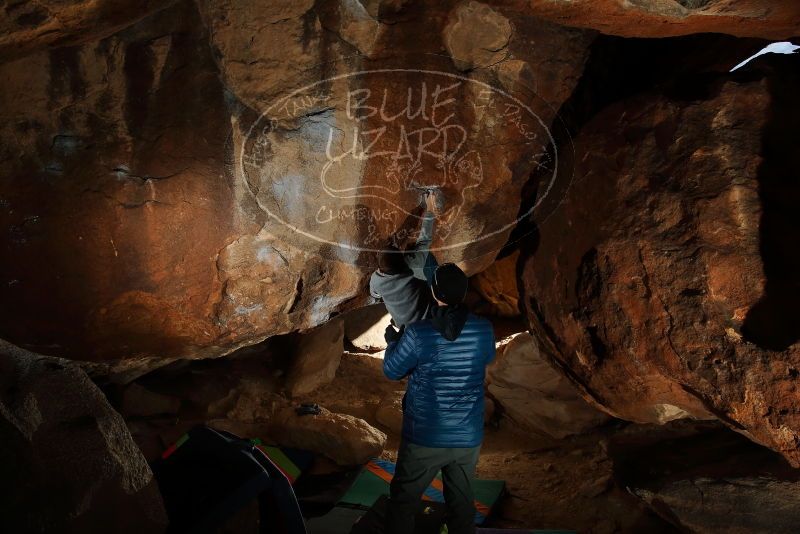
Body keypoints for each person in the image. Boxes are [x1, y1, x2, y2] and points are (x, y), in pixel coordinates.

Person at [382, 263, 496, 534]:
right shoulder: (484, 329)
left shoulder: (418, 332)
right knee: (462, 502)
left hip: (425, 435)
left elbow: (391, 370)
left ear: (434, 292)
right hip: (467, 434)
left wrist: (392, 342)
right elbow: (486, 358)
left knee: (403, 502)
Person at [369, 192, 440, 330]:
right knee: (429, 260)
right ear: (404, 259)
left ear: (380, 269)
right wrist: (430, 209)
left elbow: (374, 294)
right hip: (430, 320)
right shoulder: (414, 265)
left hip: (405, 328)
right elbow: (424, 240)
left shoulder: (376, 279)